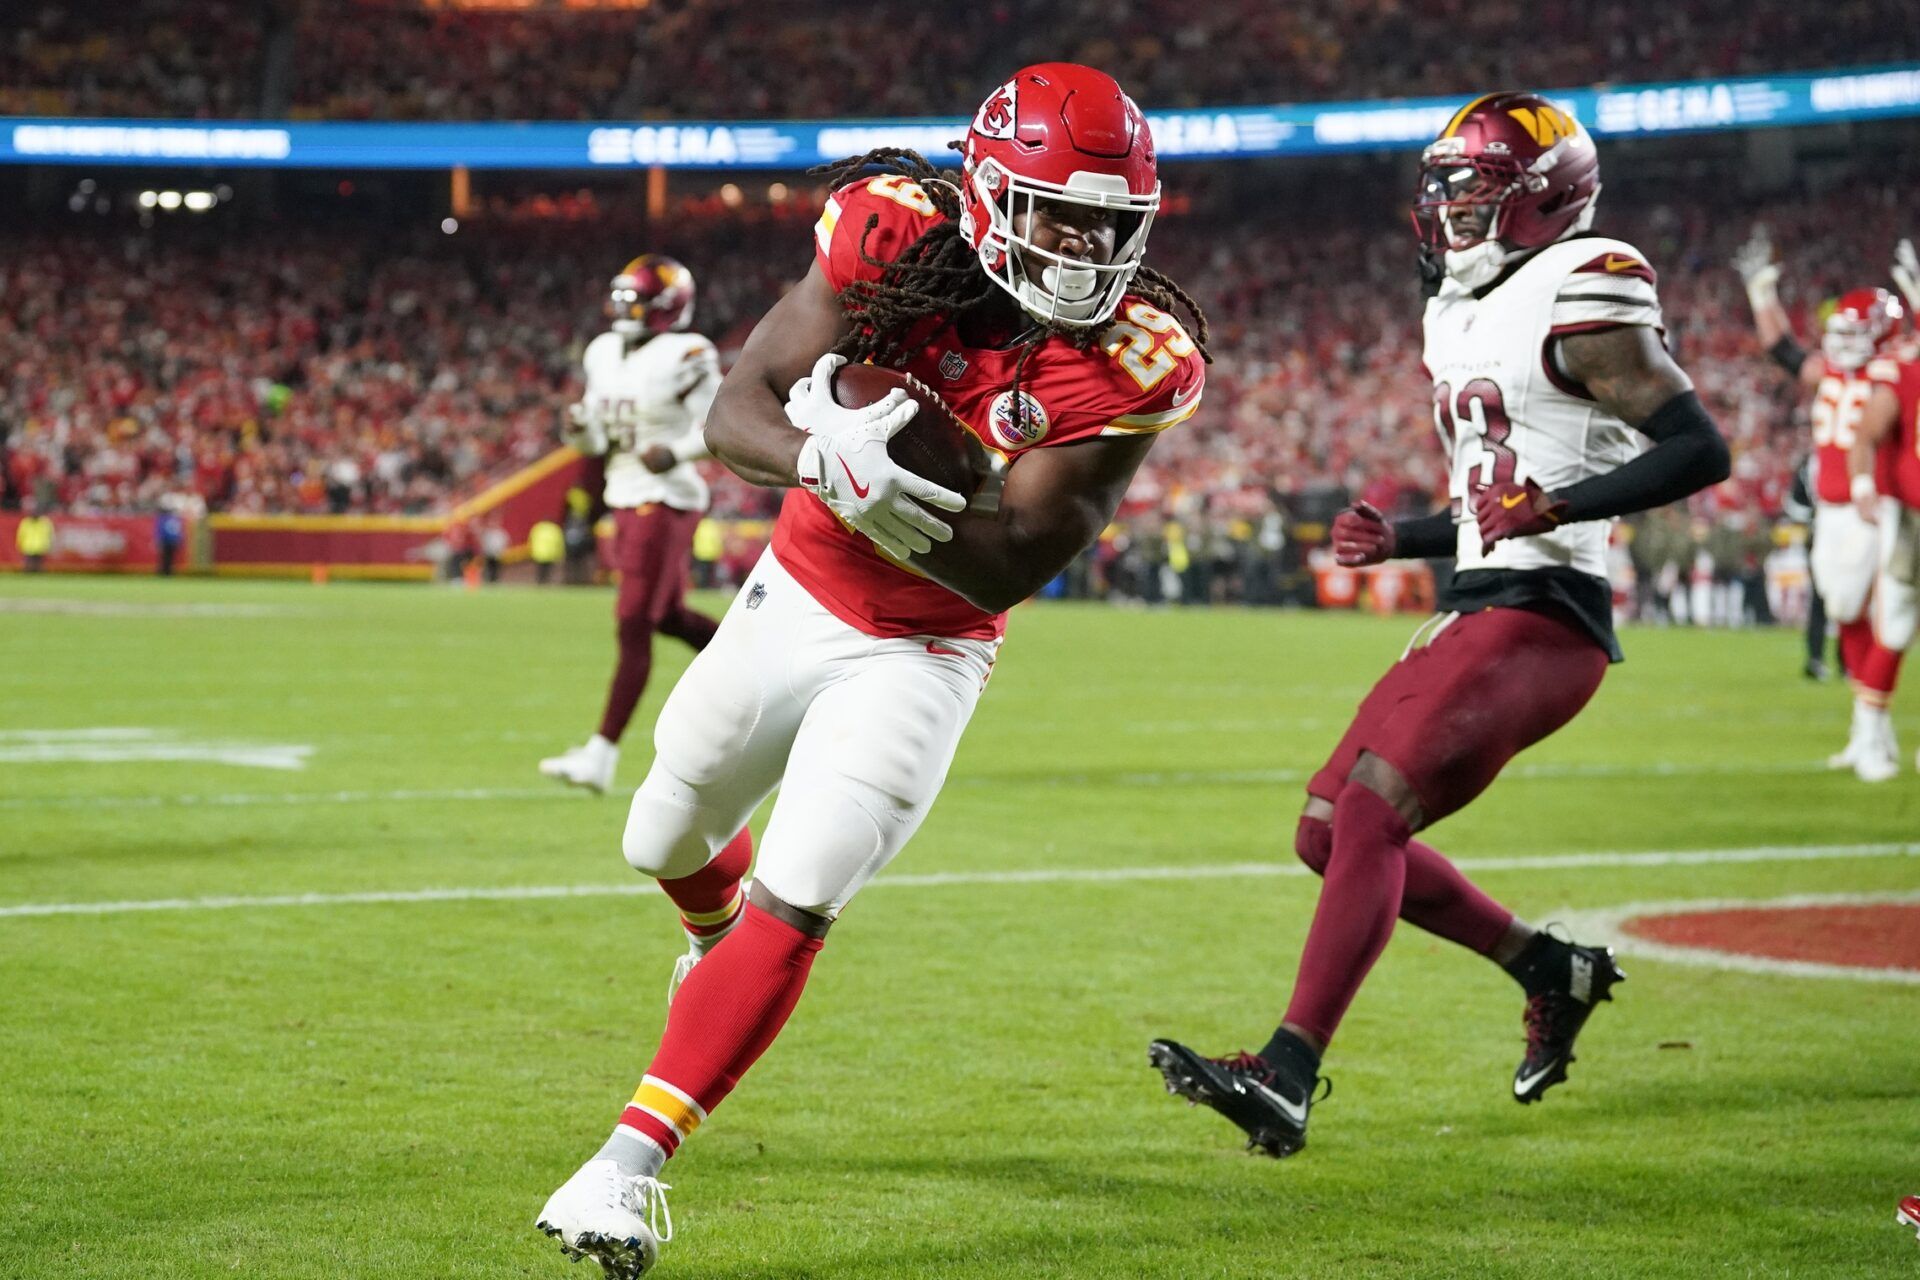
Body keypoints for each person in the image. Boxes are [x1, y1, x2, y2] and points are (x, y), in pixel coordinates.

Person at [535, 63, 1208, 1277]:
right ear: (991, 192)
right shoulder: (892, 232)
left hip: (929, 645)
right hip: (792, 589)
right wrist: (818, 456)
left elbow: (1008, 565)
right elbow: (735, 405)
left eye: (1110, 222)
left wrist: (884, 484)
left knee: (802, 892)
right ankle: (713, 938)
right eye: (1061, 212)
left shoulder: (1132, 359)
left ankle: (624, 1168)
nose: (1086, 246)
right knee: (657, 835)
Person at [1148, 93, 1728, 1158]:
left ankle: (1286, 1070)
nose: (1451, 205)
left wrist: (1563, 507)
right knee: (1325, 834)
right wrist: (1409, 534)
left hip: (1547, 614)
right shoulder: (1456, 304)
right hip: (1479, 598)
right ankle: (1547, 966)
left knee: (1372, 810)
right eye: (1446, 185)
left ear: (1542, 199)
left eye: (1474, 186)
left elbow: (1699, 448)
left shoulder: (1586, 281)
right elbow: (1497, 481)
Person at [537, 256, 724, 795]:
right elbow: (597, 443)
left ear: (667, 304)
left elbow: (720, 425)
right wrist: (579, 430)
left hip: (664, 496)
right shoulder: (601, 351)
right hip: (625, 494)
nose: (625, 307)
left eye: (636, 297)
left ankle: (601, 751)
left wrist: (678, 451)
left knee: (633, 620)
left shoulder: (687, 353)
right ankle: (754, 662)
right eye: (621, 297)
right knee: (665, 616)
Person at [1734, 231, 1912, 779]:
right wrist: (1762, 293)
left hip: (1878, 510)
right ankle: (1869, 734)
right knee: (1843, 611)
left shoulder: (1897, 372)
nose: (1842, 342)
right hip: (1833, 513)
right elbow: (1784, 350)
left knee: (1892, 623)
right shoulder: (1834, 370)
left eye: (1855, 331)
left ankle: (1872, 737)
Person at [1842, 286, 1920, 777]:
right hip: (1914, 519)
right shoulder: (1905, 368)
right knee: (1894, 625)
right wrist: (1865, 480)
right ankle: (1868, 736)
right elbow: (1869, 430)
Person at [16, 498, 52, 572]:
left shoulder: (44, 522)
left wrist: (47, 544)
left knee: (38, 562)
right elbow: (21, 534)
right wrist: (19, 544)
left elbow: (49, 534)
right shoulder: (26, 522)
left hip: (40, 545)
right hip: (28, 545)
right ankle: (28, 573)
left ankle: (37, 573)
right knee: (29, 562)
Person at [529, 518, 565, 585]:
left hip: (539, 553)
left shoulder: (538, 528)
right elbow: (559, 542)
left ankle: (540, 583)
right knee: (548, 571)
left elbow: (531, 540)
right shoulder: (554, 529)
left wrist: (532, 552)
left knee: (540, 571)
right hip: (550, 553)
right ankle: (546, 583)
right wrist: (560, 554)